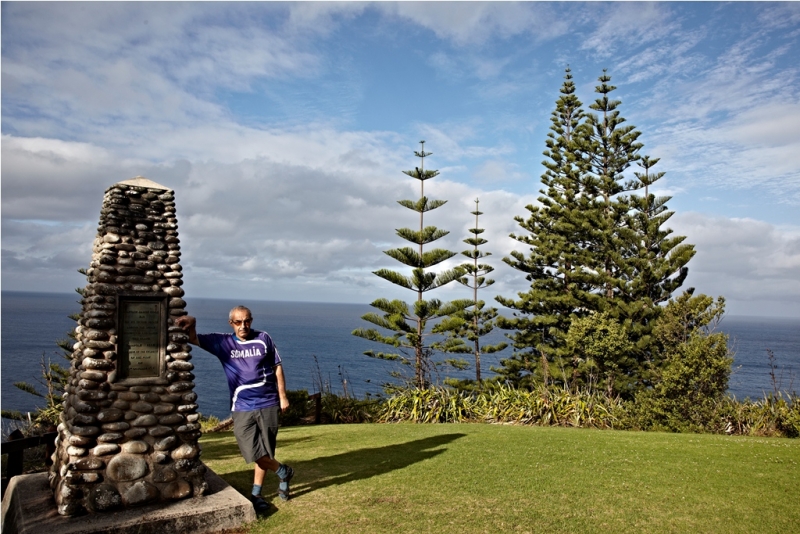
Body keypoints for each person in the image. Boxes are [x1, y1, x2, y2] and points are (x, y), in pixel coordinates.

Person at [175, 306, 294, 513]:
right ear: (231, 323)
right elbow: (193, 339)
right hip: (242, 405)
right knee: (251, 450)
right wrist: (192, 321)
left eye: (247, 321)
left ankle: (257, 494)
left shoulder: (263, 338)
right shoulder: (223, 342)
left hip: (268, 402)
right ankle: (282, 470)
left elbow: (277, 366)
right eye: (238, 322)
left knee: (266, 449)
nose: (243, 326)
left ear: (251, 320)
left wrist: (282, 396)